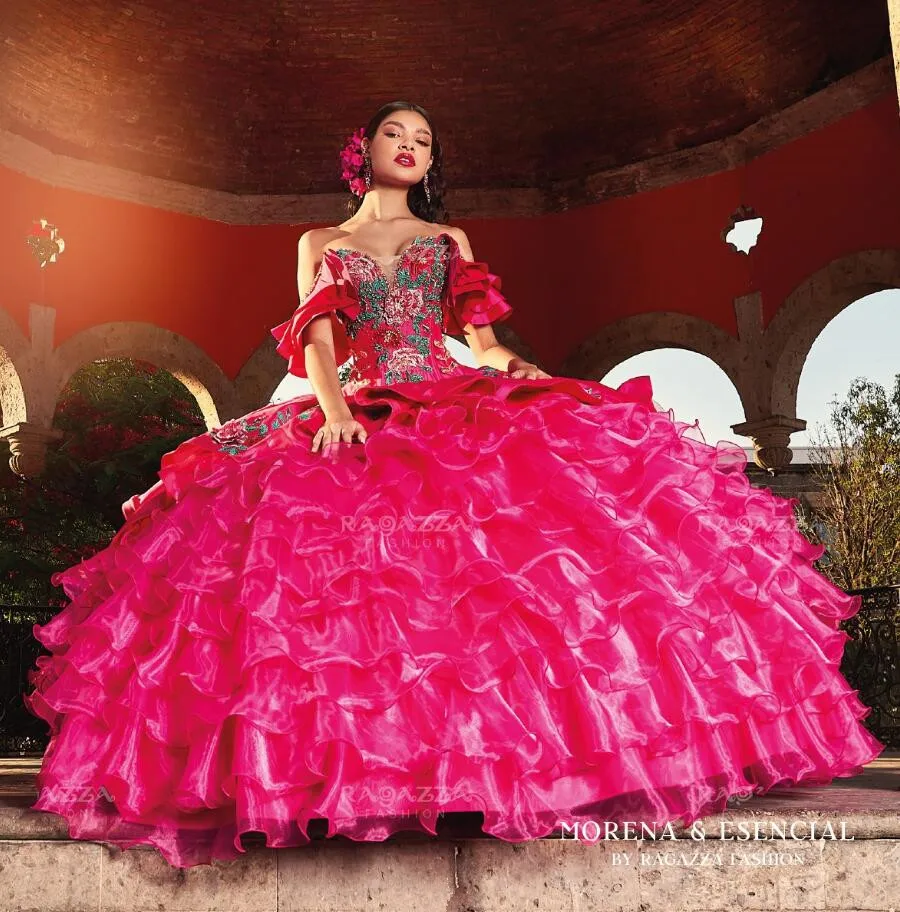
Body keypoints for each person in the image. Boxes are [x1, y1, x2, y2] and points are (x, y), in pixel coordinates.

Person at [23, 101, 884, 868]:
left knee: (499, 583)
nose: (411, 147)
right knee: (342, 593)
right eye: (395, 135)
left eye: (425, 140)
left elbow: (481, 339)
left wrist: (520, 368)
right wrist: (332, 413)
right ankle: (358, 777)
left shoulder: (449, 245)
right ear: (361, 152)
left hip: (447, 394)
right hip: (355, 402)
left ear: (434, 163)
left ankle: (492, 767)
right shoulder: (319, 246)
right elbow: (317, 339)